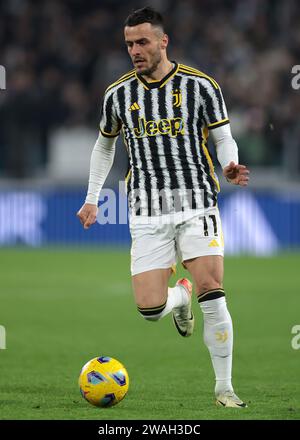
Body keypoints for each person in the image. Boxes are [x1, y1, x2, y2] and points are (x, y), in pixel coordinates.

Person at [77, 6, 250, 408]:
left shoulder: (201, 86)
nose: (135, 50)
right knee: (150, 309)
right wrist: (91, 198)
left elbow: (223, 137)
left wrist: (228, 163)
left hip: (196, 202)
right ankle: (179, 298)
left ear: (162, 41)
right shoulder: (117, 93)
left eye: (142, 42)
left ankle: (224, 388)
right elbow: (105, 145)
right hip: (146, 209)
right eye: (129, 44)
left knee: (214, 290)